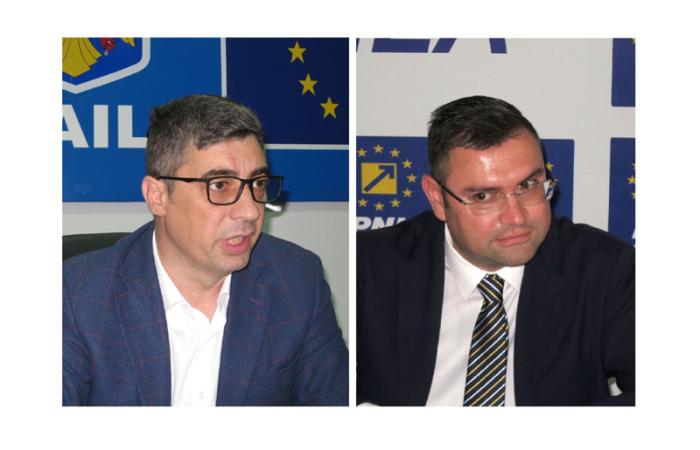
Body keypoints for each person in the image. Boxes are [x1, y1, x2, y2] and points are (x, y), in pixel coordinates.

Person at [63, 94, 348, 406]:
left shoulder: (297, 281)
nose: (250, 211)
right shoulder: (77, 296)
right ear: (158, 196)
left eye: (257, 184)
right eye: (220, 185)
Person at [356, 96, 634, 406]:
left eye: (527, 185)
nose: (516, 218)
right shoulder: (369, 265)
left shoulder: (604, 267)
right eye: (483, 196)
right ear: (437, 198)